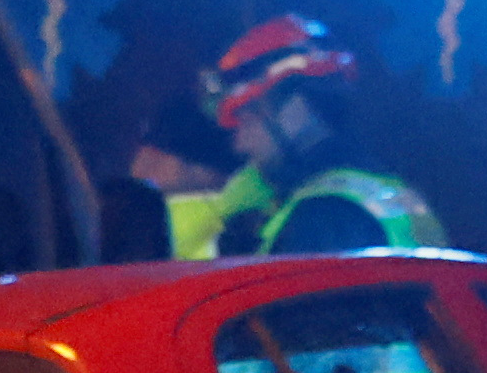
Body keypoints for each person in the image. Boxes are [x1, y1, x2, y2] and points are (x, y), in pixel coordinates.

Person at [162, 15, 445, 260]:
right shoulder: (377, 189)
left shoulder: (324, 216)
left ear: (296, 108)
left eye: (248, 118)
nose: (240, 144)